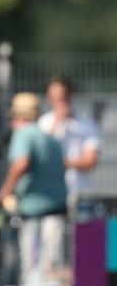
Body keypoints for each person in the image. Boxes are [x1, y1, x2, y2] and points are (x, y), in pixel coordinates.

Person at [0, 93, 68, 286]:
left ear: (18, 117)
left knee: (29, 262)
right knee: (53, 261)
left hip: (32, 211)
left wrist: (5, 191)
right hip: (57, 208)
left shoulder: (23, 135)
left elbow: (21, 164)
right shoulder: (51, 139)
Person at [38, 76, 100, 208]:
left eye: (63, 96)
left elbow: (91, 161)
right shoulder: (43, 123)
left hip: (79, 192)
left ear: (70, 95)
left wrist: (60, 162)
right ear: (49, 97)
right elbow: (41, 155)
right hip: (49, 195)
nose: (60, 100)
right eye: (55, 96)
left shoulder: (87, 124)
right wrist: (56, 123)